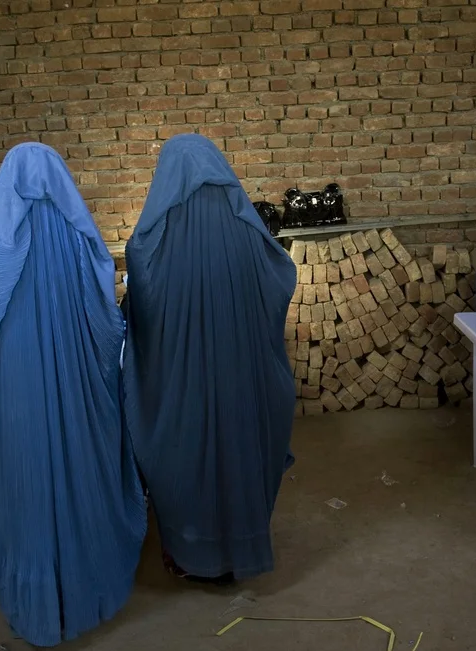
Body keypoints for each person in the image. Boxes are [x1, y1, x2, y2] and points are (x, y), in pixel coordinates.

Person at [0, 142, 146, 646]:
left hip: (9, 392)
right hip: (71, 382)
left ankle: (34, 599)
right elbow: (105, 318)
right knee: (75, 462)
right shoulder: (78, 235)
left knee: (23, 481)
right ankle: (85, 584)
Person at [122, 134, 297, 585]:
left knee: (186, 454)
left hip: (182, 383)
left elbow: (141, 300)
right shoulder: (246, 228)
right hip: (241, 377)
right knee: (239, 449)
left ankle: (190, 556)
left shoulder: (152, 241)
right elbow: (281, 277)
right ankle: (240, 551)